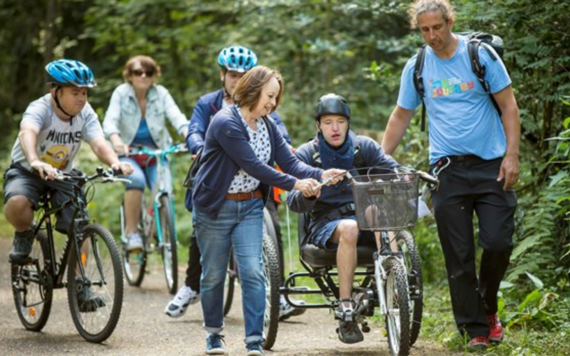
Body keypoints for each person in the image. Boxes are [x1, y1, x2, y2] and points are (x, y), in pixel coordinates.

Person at [381, 0, 520, 350]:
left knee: (498, 243)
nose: (432, 36)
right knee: (458, 256)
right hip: (447, 171)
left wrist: (512, 156)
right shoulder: (418, 66)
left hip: (491, 166)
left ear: (449, 22)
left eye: (437, 28)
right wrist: (382, 160)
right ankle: (474, 329)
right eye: (425, 30)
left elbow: (509, 105)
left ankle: (488, 306)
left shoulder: (480, 55)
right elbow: (401, 115)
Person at [191, 66, 344, 355]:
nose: (273, 103)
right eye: (269, 96)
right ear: (252, 90)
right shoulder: (226, 122)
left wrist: (322, 173)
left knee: (252, 271)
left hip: (249, 205)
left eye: (276, 97)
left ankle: (253, 341)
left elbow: (290, 162)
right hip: (215, 208)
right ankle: (213, 333)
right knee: (212, 275)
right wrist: (297, 185)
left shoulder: (268, 124)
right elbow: (254, 166)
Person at [165, 45, 304, 321]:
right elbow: (194, 130)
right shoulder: (210, 105)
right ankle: (192, 286)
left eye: (243, 74)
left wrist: (291, 153)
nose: (237, 79)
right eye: (232, 74)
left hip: (254, 188)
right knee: (200, 234)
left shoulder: (265, 107)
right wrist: (200, 146)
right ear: (222, 75)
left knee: (273, 225)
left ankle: (275, 292)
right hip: (218, 185)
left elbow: (281, 138)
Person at [3, 59, 133, 310]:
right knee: (17, 203)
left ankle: (80, 286)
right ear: (56, 91)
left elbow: (97, 142)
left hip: (63, 175)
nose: (82, 98)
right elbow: (27, 131)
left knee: (80, 227)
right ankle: (24, 233)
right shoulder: (39, 108)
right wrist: (34, 161)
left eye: (84, 92)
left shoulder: (85, 114)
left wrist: (115, 162)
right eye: (75, 92)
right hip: (28, 171)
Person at [286, 93, 401, 344]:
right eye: (328, 122)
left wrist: (404, 175)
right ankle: (346, 308)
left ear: (348, 123)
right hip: (326, 223)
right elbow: (292, 202)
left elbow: (393, 169)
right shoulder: (307, 154)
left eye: (340, 121)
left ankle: (395, 281)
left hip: (364, 215)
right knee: (349, 227)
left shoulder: (364, 147)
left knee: (380, 210)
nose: (335, 128)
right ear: (318, 125)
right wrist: (309, 193)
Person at [103, 55, 189, 251]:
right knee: (137, 181)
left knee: (165, 189)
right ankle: (132, 232)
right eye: (137, 72)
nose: (143, 76)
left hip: (156, 153)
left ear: (154, 76)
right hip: (128, 153)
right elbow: (110, 121)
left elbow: (176, 116)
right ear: (129, 75)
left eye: (148, 72)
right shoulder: (121, 94)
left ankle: (164, 236)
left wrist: (189, 134)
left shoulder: (161, 94)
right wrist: (116, 140)